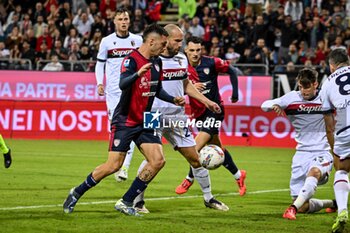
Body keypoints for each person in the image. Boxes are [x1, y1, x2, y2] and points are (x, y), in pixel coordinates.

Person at [63, 23, 184, 216]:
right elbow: (122, 84)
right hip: (126, 118)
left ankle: (126, 201)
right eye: (162, 44)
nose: (164, 48)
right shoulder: (131, 60)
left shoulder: (157, 61)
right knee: (113, 165)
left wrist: (173, 99)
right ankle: (76, 192)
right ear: (151, 41)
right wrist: (138, 74)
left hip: (147, 116)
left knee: (158, 160)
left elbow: (156, 88)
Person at [132, 24, 228, 214]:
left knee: (195, 158)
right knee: (154, 159)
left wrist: (207, 102)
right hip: (154, 115)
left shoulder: (181, 58)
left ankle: (209, 198)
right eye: (177, 41)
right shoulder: (151, 58)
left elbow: (186, 84)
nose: (180, 44)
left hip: (177, 116)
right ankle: (137, 201)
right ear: (165, 39)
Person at [175, 36, 247, 196]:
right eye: (192, 50)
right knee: (218, 148)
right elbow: (175, 86)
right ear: (186, 50)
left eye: (198, 50)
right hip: (199, 113)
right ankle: (238, 175)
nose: (195, 53)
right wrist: (190, 87)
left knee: (195, 147)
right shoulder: (180, 66)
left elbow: (232, 70)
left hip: (215, 111)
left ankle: (189, 178)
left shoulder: (211, 62)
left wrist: (235, 93)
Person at [261, 68, 336, 221]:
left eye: (306, 86)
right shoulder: (292, 98)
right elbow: (264, 105)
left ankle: (291, 209)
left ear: (315, 84)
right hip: (301, 154)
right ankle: (332, 203)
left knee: (314, 172)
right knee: (303, 206)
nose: (303, 91)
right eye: (301, 87)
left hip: (323, 151)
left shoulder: (325, 97)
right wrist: (274, 105)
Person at [95, 8, 143, 182]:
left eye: (126, 19)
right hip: (114, 94)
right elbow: (99, 65)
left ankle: (124, 167)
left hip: (134, 92)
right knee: (117, 130)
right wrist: (100, 82)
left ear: (129, 21)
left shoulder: (137, 40)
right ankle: (117, 163)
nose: (124, 22)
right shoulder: (107, 42)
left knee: (131, 127)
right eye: (120, 19)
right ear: (114, 21)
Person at [321, 48, 350, 233]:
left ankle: (342, 211)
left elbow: (328, 122)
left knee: (342, 170)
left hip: (345, 129)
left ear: (331, 66)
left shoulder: (327, 84)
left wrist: (334, 148)